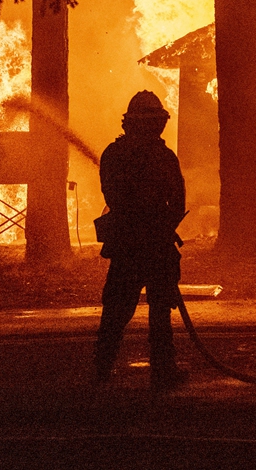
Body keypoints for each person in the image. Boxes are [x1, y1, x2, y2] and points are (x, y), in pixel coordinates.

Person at [93, 90, 187, 392]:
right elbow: (177, 200)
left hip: (128, 247)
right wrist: (161, 227)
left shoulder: (113, 154)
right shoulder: (163, 157)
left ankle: (101, 370)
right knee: (159, 313)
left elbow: (113, 197)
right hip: (154, 247)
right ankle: (163, 371)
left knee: (117, 312)